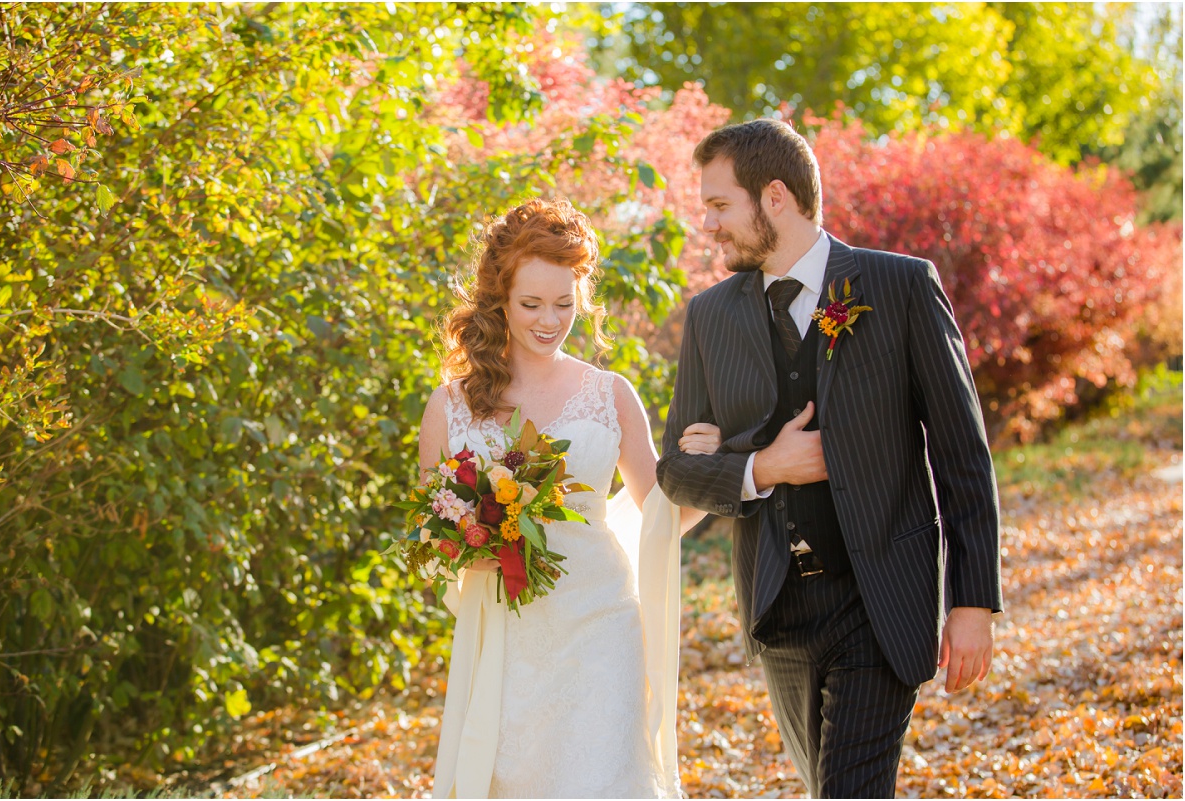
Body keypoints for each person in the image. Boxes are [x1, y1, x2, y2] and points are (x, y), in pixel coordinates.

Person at [656, 119, 1003, 798]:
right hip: (777, 609)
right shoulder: (711, 317)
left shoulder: (900, 287)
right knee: (828, 785)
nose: (710, 225)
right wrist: (764, 466)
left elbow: (963, 451)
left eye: (720, 205)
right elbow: (675, 469)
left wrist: (973, 601)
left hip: (879, 599)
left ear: (775, 197)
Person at [418, 197, 718, 798]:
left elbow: (665, 513)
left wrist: (709, 473)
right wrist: (472, 547)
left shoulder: (610, 394)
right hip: (506, 634)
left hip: (602, 624)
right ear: (499, 300)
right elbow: (433, 534)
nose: (549, 320)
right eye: (531, 304)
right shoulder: (449, 406)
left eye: (565, 303)